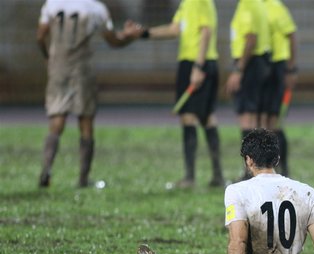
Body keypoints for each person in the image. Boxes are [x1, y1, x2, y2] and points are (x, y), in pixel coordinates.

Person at [138, 128, 314, 254]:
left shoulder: (237, 190)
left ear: (248, 161)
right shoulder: (307, 192)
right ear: (277, 159)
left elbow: (238, 241)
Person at [37, 0, 142, 188]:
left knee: (57, 120)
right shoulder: (96, 8)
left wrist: (48, 58)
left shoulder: (52, 4)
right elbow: (113, 40)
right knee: (85, 122)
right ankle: (83, 179)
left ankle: (47, 169)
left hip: (58, 68)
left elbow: (40, 36)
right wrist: (129, 36)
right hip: (81, 69)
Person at [139, 0, 224, 188]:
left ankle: (191, 177)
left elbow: (206, 32)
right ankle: (216, 175)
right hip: (196, 63)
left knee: (189, 117)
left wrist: (198, 67)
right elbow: (174, 29)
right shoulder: (186, 3)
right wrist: (144, 33)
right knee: (206, 117)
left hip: (197, 63)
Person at [225, 0, 271, 178]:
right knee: (256, 119)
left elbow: (251, 39)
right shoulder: (258, 4)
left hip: (250, 64)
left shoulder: (247, 5)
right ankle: (261, 168)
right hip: (260, 62)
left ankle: (250, 171)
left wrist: (238, 69)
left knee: (247, 118)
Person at [260, 0, 297, 176]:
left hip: (278, 66)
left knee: (275, 122)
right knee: (265, 122)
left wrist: (290, 69)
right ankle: (268, 168)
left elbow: (291, 36)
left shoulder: (276, 7)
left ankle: (284, 168)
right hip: (265, 66)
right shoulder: (256, 6)